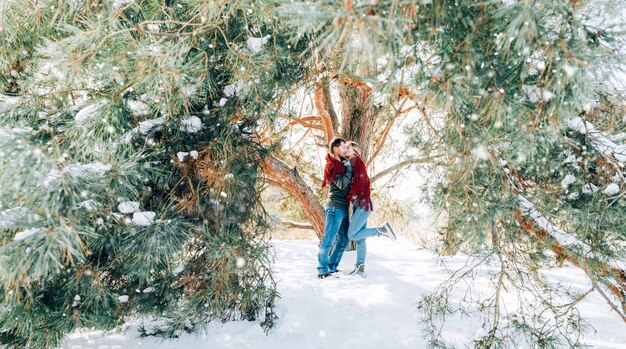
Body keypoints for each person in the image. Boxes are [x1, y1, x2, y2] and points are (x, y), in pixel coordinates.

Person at [328, 141, 396, 277]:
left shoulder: (355, 162)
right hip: (361, 203)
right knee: (360, 238)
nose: (346, 149)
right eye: (345, 147)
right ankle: (360, 267)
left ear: (355, 151)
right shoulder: (354, 162)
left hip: (363, 203)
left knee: (351, 235)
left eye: (349, 147)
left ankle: (381, 230)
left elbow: (355, 180)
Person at [317, 137, 353, 279]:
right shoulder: (332, 167)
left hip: (343, 208)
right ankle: (322, 269)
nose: (346, 149)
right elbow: (343, 184)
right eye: (343, 147)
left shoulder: (342, 165)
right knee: (328, 240)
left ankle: (332, 266)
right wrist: (349, 168)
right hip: (334, 208)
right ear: (336, 149)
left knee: (344, 240)